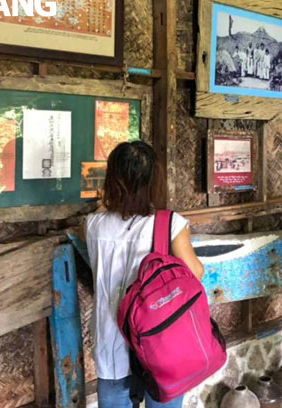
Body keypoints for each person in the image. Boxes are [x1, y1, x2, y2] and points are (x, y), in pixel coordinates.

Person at [83, 141, 204, 408]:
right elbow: (195, 272)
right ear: (153, 181)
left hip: (112, 344)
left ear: (113, 179)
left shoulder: (93, 225)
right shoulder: (169, 224)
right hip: (161, 345)